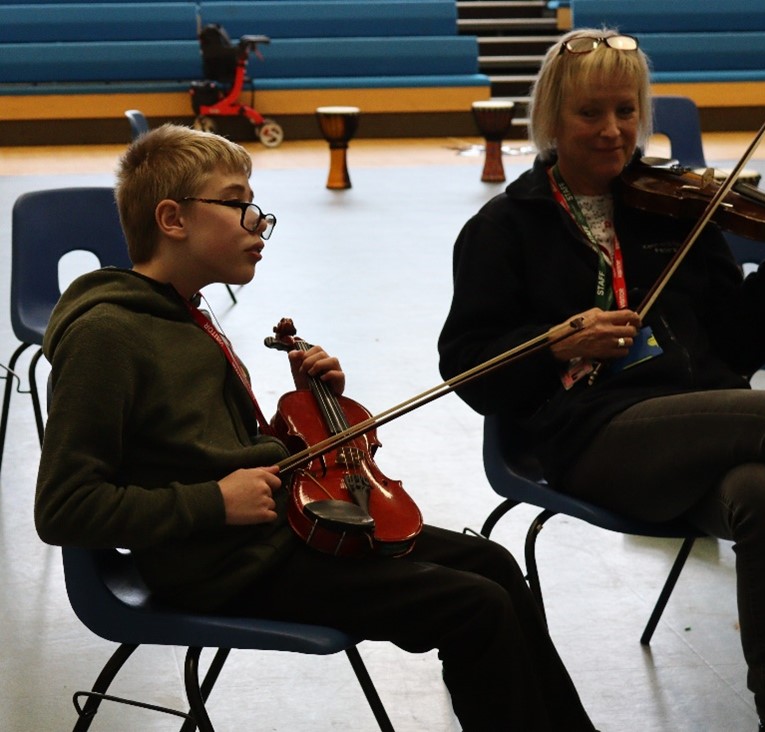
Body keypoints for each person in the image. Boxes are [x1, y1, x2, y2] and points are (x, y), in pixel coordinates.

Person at [34, 124, 597, 732]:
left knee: (493, 565)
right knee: (475, 607)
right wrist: (212, 503)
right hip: (222, 567)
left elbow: (204, 448)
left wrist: (305, 413)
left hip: (272, 538)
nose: (258, 222)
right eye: (238, 203)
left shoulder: (183, 316)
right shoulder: (107, 335)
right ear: (173, 218)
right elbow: (64, 507)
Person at [438, 26, 765, 732]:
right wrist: (553, 344)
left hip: (696, 426)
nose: (612, 131)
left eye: (626, 112)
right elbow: (468, 370)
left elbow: (735, 345)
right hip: (585, 436)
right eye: (590, 113)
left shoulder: (679, 210)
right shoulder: (505, 228)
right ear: (550, 119)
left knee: (763, 494)